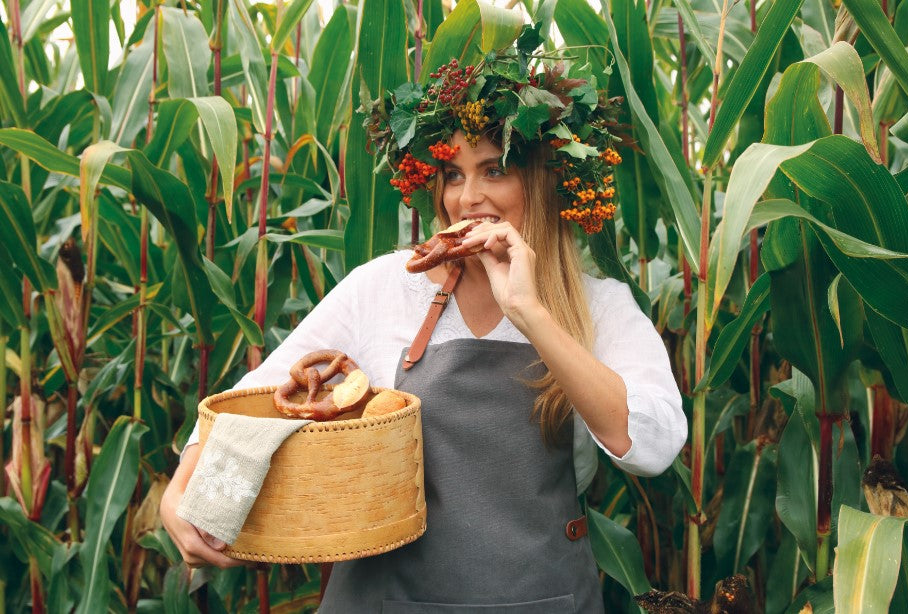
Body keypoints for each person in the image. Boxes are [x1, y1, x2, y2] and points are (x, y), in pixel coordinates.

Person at [161, 31, 686, 612]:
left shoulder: (601, 306)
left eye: (493, 170)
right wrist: (185, 483)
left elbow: (651, 446)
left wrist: (531, 313)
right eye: (453, 175)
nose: (468, 198)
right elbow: (253, 401)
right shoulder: (384, 287)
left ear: (543, 182)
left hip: (541, 597)